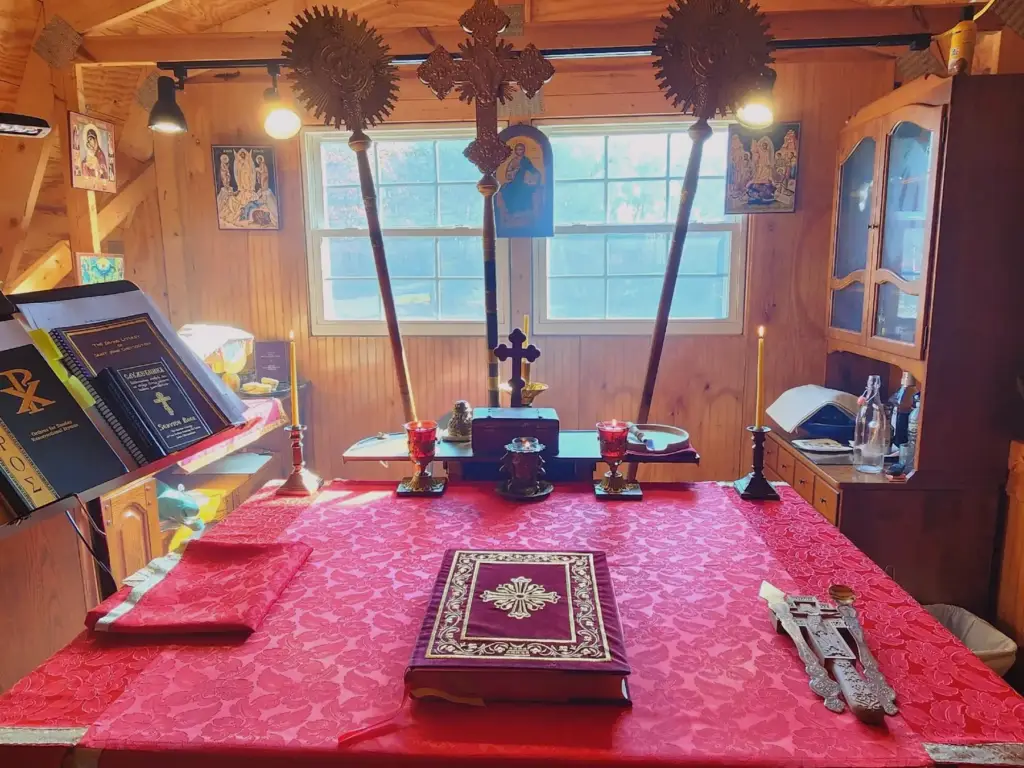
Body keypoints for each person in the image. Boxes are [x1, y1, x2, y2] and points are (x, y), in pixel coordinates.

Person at [499, 143, 541, 218]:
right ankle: (512, 211)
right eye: (517, 149)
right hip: (514, 182)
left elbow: (532, 169)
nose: (519, 151)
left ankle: (523, 211)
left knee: (525, 191)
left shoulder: (526, 160)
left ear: (524, 150)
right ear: (515, 151)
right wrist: (515, 170)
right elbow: (508, 174)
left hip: (523, 182)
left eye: (521, 149)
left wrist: (537, 174)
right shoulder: (513, 161)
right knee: (505, 190)